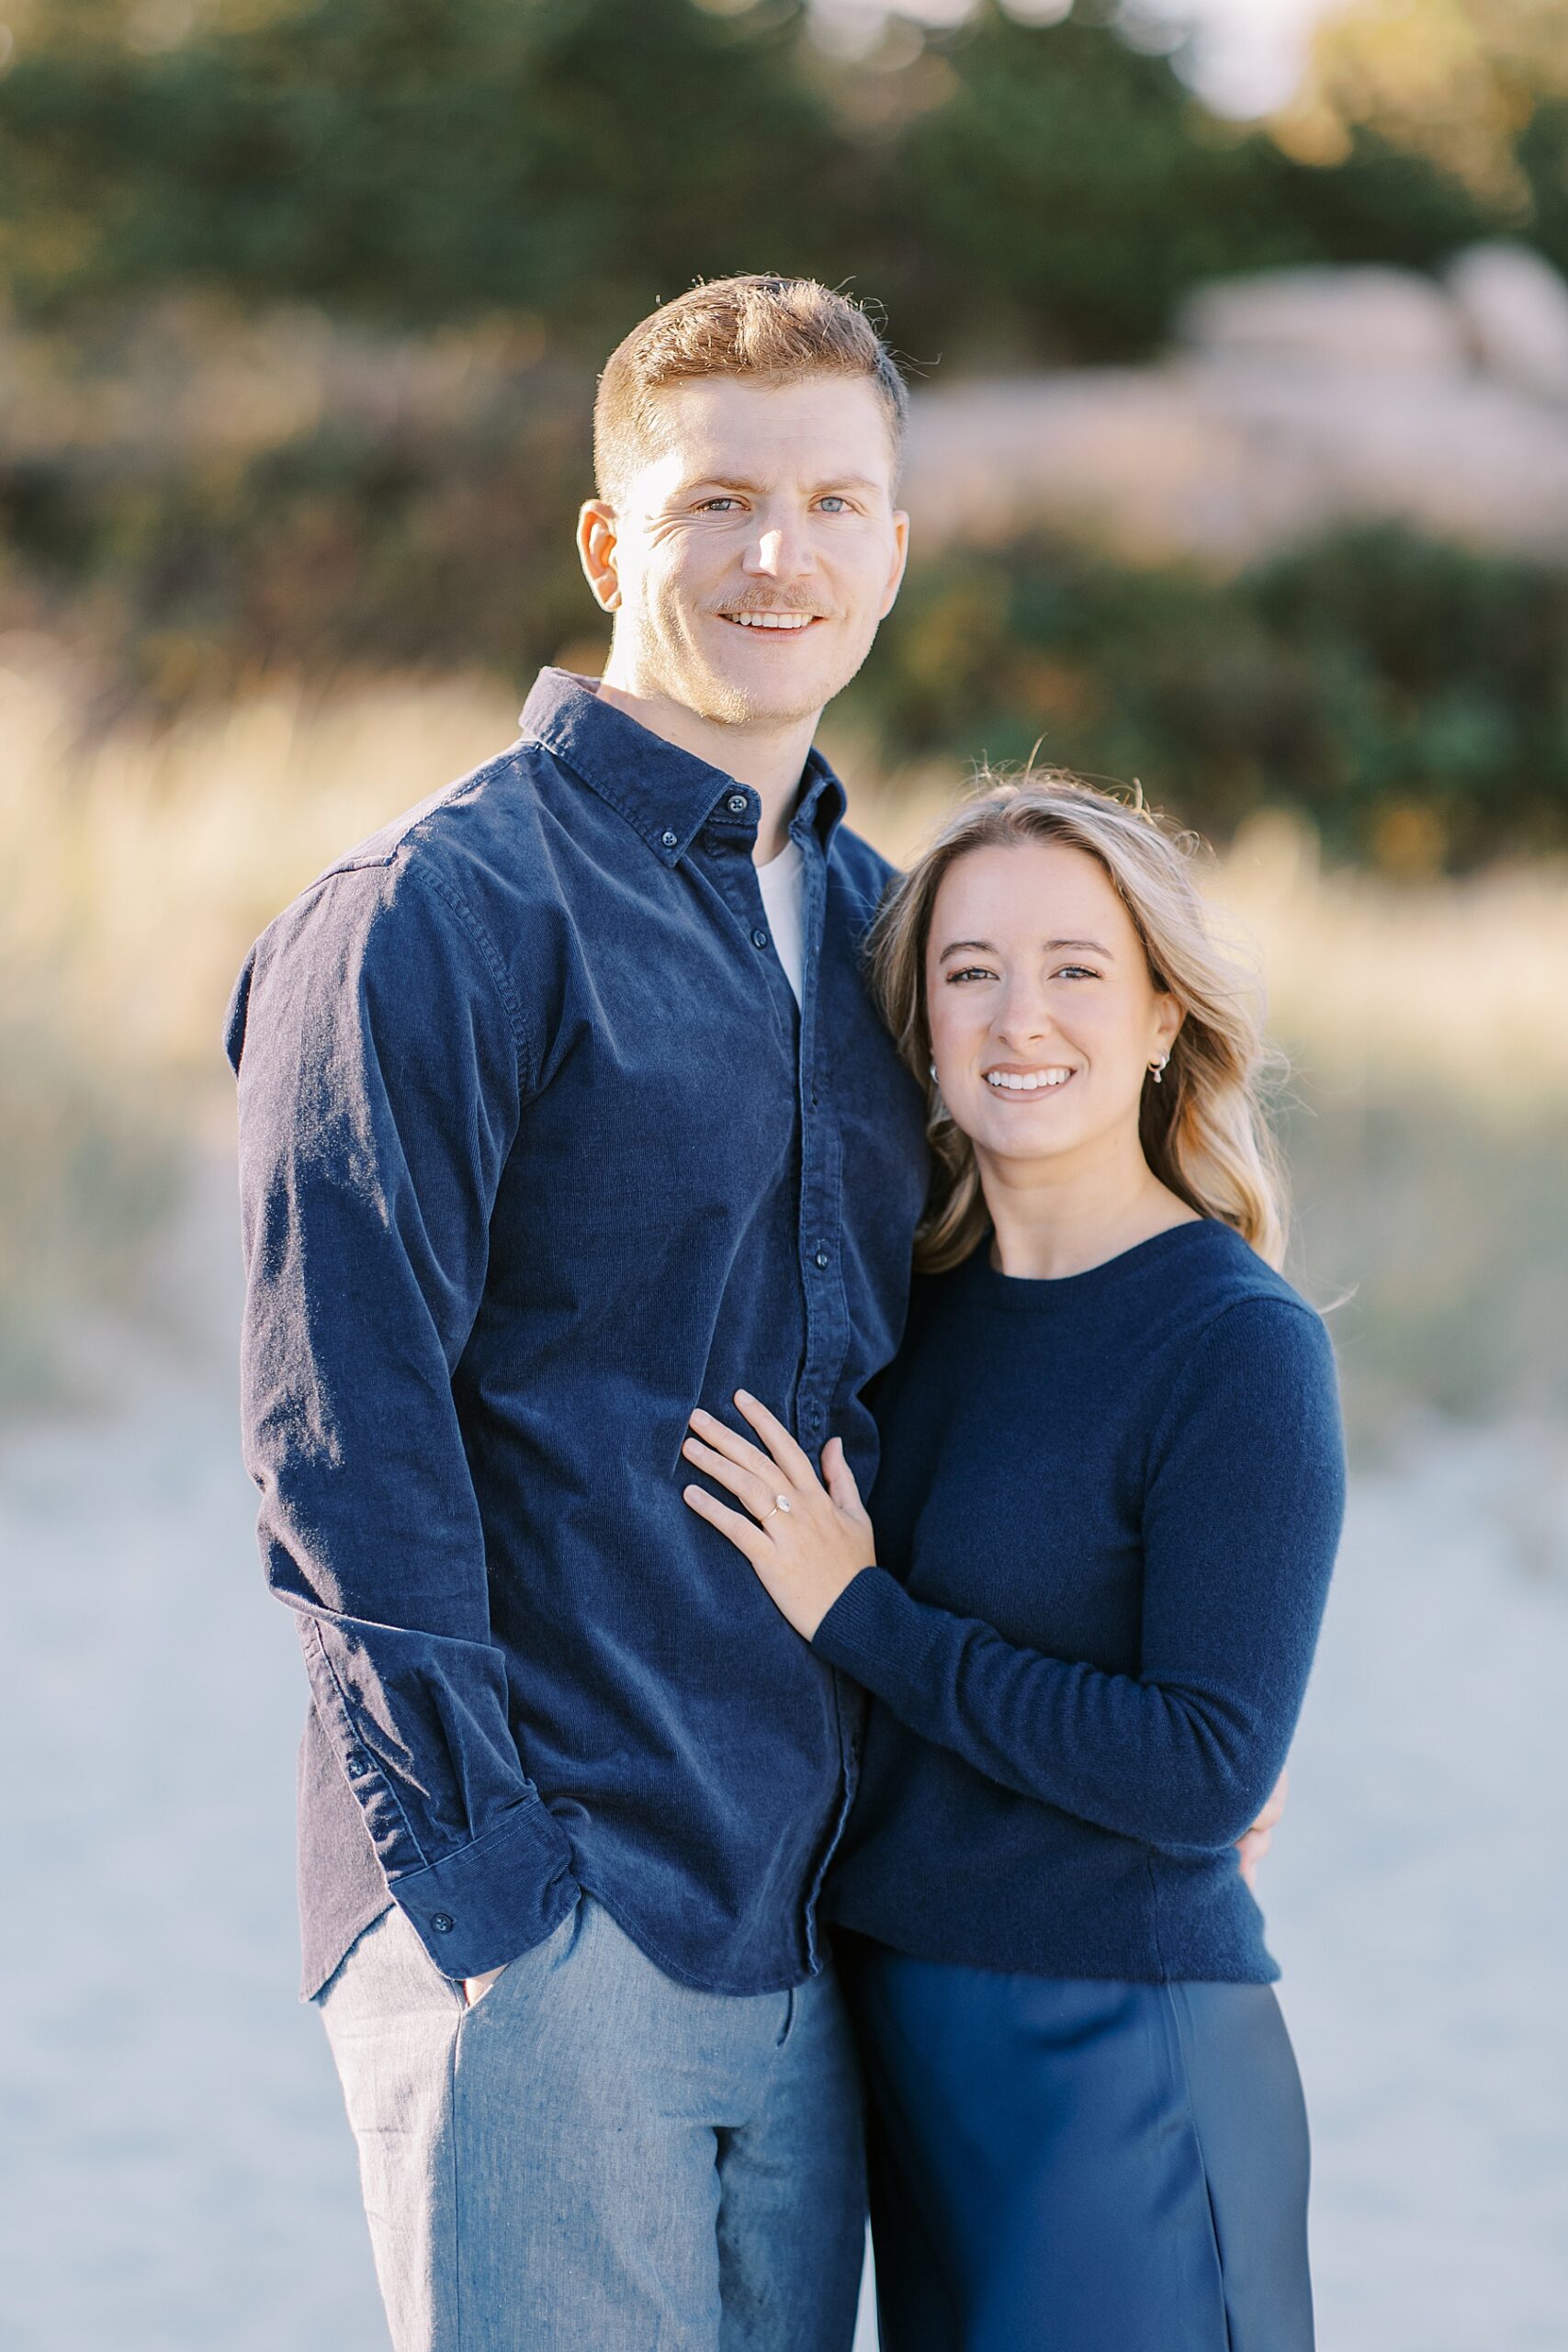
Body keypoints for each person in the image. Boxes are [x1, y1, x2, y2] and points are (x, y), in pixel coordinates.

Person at [226, 276, 1283, 2352]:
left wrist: (1178, 1696)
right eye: (715, 501)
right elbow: (336, 1441)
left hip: (809, 1924)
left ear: (892, 550)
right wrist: (496, 1896)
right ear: (613, 544)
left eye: (829, 501)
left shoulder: (895, 935)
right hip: (552, 1899)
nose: (774, 552)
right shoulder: (439, 911)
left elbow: (986, 1363)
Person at [682, 776, 1344, 2352]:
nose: (1018, 1017)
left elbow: (1204, 1769)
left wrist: (864, 1616)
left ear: (1165, 1014)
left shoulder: (1237, 1346)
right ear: (918, 1018)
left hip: (1123, 2055)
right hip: (907, 2047)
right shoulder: (905, 1318)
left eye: (1076, 968)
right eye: (970, 970)